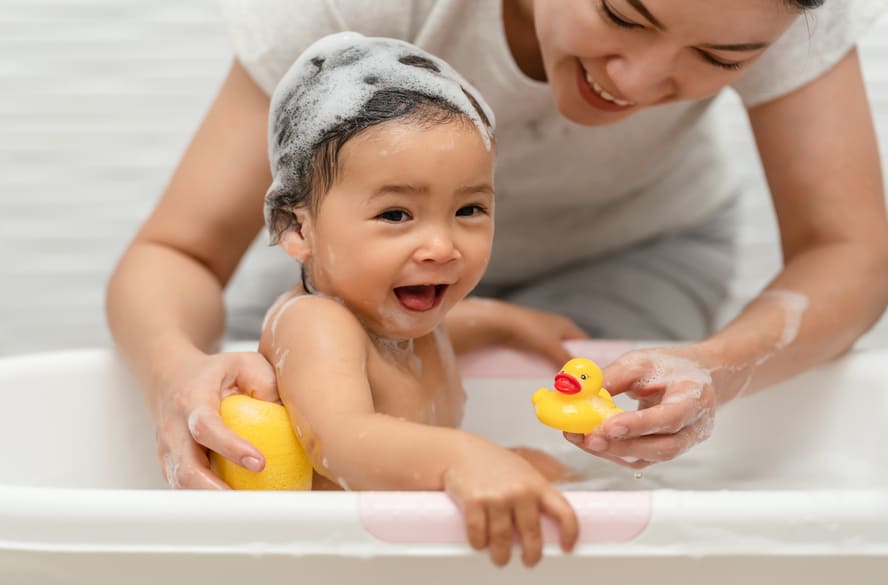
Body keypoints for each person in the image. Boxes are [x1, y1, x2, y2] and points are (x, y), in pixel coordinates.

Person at [106, 0, 888, 492]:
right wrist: (176, 372)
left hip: (633, 247)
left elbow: (850, 249)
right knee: (252, 417)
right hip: (349, 265)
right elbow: (178, 252)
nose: (640, 79)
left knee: (578, 462)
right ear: (297, 228)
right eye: (621, 13)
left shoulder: (777, 7)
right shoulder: (349, 10)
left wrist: (715, 367)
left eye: (719, 59)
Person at [246, 31, 579, 567]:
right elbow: (341, 440)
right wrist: (464, 456)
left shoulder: (400, 315)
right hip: (339, 562)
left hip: (407, 552)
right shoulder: (316, 323)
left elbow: (451, 329)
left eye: (469, 209)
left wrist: (510, 324)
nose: (442, 247)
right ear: (297, 229)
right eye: (396, 215)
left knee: (551, 468)